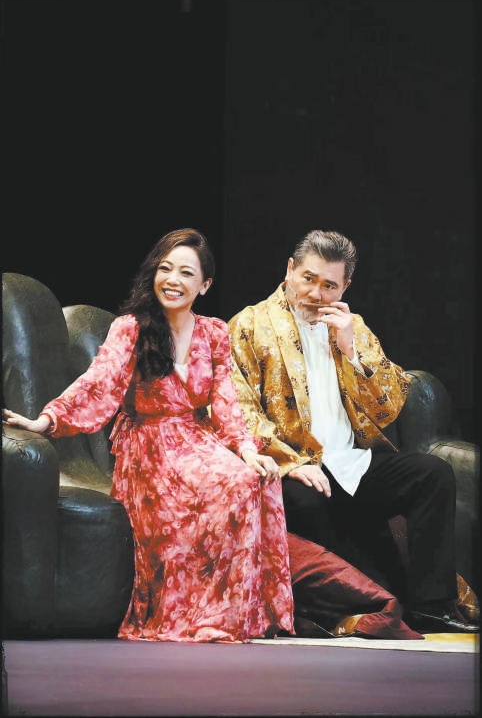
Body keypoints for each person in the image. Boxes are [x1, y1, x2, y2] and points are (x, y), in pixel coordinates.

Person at [3, 228, 423, 642]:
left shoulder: (214, 332)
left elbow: (226, 403)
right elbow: (99, 384)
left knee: (255, 477)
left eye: (186, 273)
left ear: (204, 284)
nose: (173, 280)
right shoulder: (131, 328)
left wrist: (248, 451)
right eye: (166, 269)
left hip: (199, 439)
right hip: (151, 444)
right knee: (228, 485)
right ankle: (192, 613)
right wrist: (47, 420)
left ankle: (242, 614)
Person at [228, 229, 479, 634]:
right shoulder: (249, 324)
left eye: (329, 285)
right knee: (307, 501)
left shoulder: (352, 327)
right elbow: (238, 408)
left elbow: (390, 403)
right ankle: (356, 604)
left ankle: (433, 605)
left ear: (345, 286)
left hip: (353, 464)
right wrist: (290, 463)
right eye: (308, 278)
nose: (316, 293)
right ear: (290, 270)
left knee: (432, 474)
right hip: (295, 467)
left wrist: (353, 351)